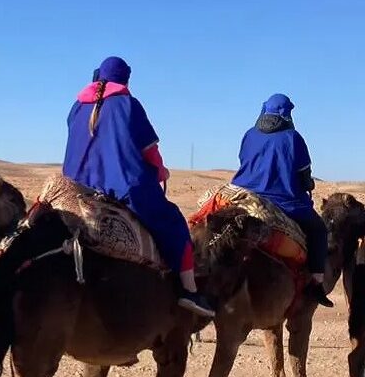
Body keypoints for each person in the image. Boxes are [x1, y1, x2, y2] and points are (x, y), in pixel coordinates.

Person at [62, 56, 216, 317]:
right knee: (173, 223)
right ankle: (189, 291)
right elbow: (149, 151)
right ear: (125, 79)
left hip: (76, 186)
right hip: (123, 187)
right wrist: (160, 171)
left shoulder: (76, 107)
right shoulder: (128, 105)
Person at [231, 94, 332, 307]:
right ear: (286, 113)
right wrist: (308, 185)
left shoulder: (249, 134)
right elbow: (304, 176)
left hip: (244, 196)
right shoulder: (293, 138)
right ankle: (316, 282)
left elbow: (243, 161)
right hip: (284, 201)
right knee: (319, 231)